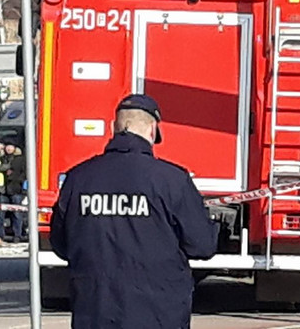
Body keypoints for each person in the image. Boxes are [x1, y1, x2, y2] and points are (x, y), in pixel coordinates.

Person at [49, 94, 218, 329]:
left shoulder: (78, 178)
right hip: (159, 314)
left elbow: (60, 243)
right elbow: (202, 245)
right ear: (152, 130)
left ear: (112, 128)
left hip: (95, 311)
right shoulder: (171, 179)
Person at [3, 144, 27, 243]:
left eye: (11, 146)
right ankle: (2, 234)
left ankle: (17, 234)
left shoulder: (21, 159)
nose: (8, 148)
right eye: (7, 146)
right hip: (4, 190)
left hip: (16, 189)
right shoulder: (3, 158)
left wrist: (17, 180)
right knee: (1, 212)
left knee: (17, 213)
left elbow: (25, 172)